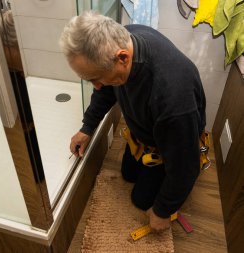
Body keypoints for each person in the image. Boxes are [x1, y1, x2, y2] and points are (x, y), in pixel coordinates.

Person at [59, 11, 206, 233]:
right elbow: (105, 91)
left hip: (171, 145)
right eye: (89, 79)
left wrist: (163, 211)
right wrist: (87, 127)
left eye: (96, 78)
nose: (96, 86)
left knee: (141, 200)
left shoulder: (172, 98)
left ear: (123, 58)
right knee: (128, 173)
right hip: (147, 130)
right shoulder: (124, 39)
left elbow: (186, 166)